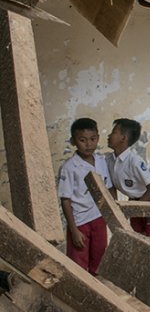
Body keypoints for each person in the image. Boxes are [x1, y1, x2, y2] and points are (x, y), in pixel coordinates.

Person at [58, 118, 112, 276]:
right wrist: (74, 230)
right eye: (82, 140)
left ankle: (98, 293)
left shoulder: (102, 161)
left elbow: (109, 189)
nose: (88, 144)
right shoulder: (69, 167)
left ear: (98, 138)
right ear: (74, 141)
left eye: (92, 139)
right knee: (78, 266)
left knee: (99, 261)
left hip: (99, 218)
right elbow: (65, 200)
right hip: (80, 222)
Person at [106, 118, 150, 239]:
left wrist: (135, 207)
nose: (109, 135)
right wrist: (116, 207)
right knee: (138, 236)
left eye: (114, 132)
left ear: (123, 138)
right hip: (134, 201)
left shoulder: (134, 161)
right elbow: (112, 187)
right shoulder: (108, 160)